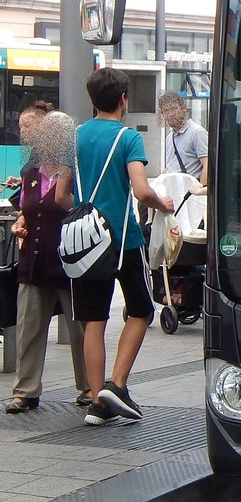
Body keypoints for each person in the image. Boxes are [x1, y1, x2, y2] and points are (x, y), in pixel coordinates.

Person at [57, 67, 173, 426]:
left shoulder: (73, 138)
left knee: (94, 319)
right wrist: (162, 204)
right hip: (124, 241)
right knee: (140, 310)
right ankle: (117, 385)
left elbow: (61, 195)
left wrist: (85, 214)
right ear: (123, 99)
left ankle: (96, 401)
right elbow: (140, 190)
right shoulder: (127, 138)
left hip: (86, 242)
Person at [5, 105, 88, 412]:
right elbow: (27, 211)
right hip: (34, 261)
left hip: (70, 262)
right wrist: (20, 223)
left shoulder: (77, 172)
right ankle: (25, 391)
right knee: (28, 328)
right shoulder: (31, 173)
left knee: (79, 329)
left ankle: (89, 387)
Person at [157, 91, 207, 186]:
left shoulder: (197, 132)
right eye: (166, 111)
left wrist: (201, 192)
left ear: (183, 108)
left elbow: (207, 164)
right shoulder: (169, 137)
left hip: (191, 194)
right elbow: (171, 167)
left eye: (173, 109)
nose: (170, 114)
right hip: (175, 193)